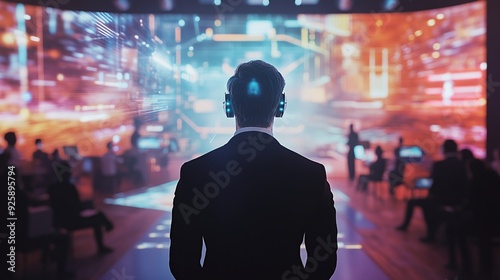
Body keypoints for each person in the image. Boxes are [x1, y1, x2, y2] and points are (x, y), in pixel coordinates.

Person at [169, 60, 338, 279]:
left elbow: (182, 262)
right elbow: (324, 261)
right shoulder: (311, 174)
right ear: (280, 106)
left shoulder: (195, 172)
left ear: (229, 105)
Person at [396, 139, 468, 243]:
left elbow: (435, 185)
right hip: (458, 201)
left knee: (417, 203)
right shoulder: (462, 165)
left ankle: (429, 234)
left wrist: (431, 195)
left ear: (444, 149)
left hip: (440, 200)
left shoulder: (439, 165)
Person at [48, 163, 114, 255]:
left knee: (98, 216)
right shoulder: (69, 188)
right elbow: (76, 206)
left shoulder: (53, 188)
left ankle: (107, 226)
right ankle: (105, 234)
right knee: (98, 218)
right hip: (72, 220)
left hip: (60, 221)